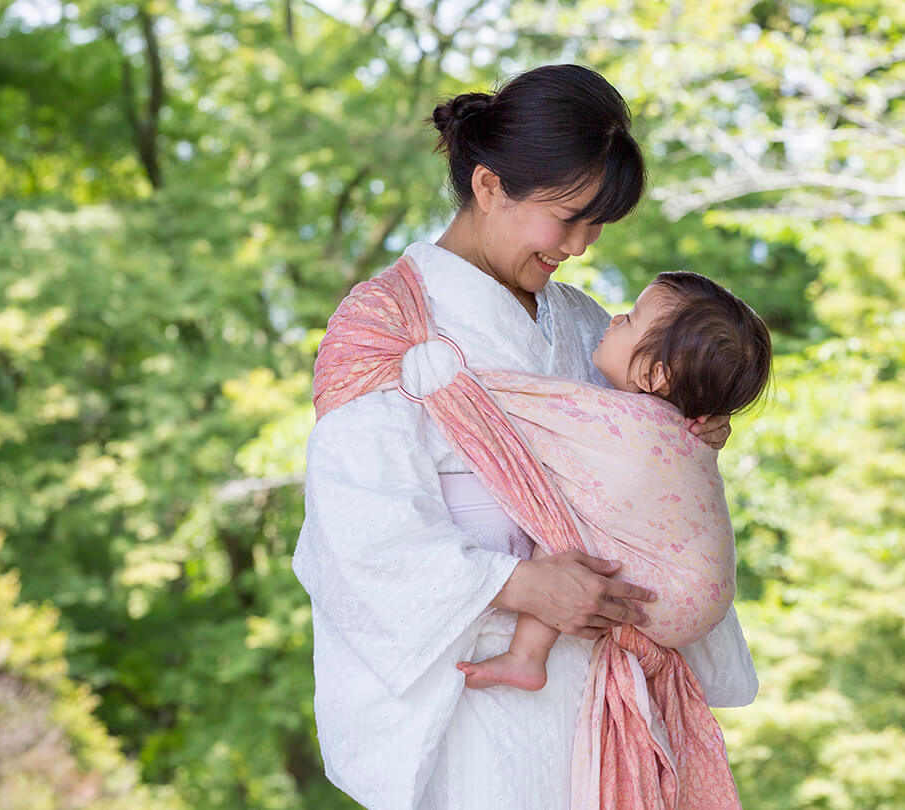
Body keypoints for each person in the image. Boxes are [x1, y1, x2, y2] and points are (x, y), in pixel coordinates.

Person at [292, 64, 758, 810]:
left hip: (604, 689)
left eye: (596, 225)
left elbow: (642, 471)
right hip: (480, 690)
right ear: (489, 186)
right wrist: (518, 584)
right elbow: (360, 527)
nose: (580, 246)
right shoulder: (388, 326)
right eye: (568, 218)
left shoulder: (581, 321)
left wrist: (691, 431)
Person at [456, 270, 773, 692]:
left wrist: (453, 380)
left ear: (655, 376)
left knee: (561, 528)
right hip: (704, 598)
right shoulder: (683, 427)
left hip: (673, 591)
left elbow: (527, 410)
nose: (614, 319)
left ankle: (526, 656)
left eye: (630, 319)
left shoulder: (631, 422)